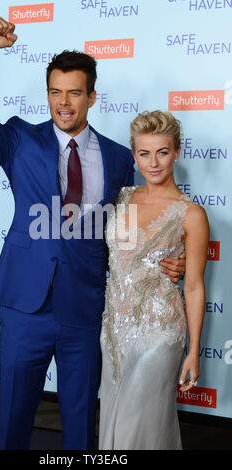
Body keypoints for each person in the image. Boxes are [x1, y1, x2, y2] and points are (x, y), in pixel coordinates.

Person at [0, 17, 185, 450]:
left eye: (74, 93)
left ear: (91, 96)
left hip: (85, 309)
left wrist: (169, 257)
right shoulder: (19, 139)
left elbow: (130, 226)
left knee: (80, 424)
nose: (63, 103)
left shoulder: (118, 159)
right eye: (55, 92)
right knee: (14, 420)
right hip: (25, 307)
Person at [99, 110, 209, 450]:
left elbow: (193, 286)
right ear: (134, 155)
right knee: (112, 425)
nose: (154, 162)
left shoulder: (191, 213)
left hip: (159, 334)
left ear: (177, 152)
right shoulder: (120, 198)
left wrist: (194, 351)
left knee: (141, 428)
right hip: (113, 332)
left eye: (162, 152)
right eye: (144, 153)